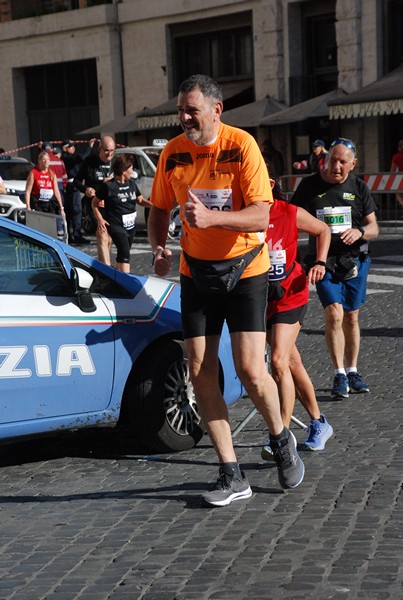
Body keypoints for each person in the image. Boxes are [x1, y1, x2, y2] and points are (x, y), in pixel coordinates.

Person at [148, 74, 305, 508]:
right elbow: (160, 206)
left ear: (216, 110)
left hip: (245, 270)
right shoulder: (173, 152)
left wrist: (212, 220)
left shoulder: (242, 146)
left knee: (252, 369)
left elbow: (260, 216)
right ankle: (230, 472)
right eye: (180, 109)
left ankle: (280, 436)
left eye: (191, 110)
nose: (184, 117)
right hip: (195, 272)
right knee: (199, 370)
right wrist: (159, 246)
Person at [292, 137, 379, 399]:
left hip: (355, 261)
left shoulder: (359, 188)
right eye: (333, 160)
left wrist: (360, 231)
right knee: (334, 312)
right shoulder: (309, 186)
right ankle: (339, 372)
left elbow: (375, 227)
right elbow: (292, 218)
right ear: (326, 159)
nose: (336, 166)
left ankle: (353, 370)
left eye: (343, 162)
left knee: (351, 316)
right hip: (323, 262)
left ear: (353, 164)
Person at [260, 179, 333, 460]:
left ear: (270, 184)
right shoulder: (242, 216)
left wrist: (320, 262)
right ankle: (319, 422)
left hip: (291, 294)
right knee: (291, 361)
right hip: (261, 300)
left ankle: (280, 436)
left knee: (278, 361)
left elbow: (322, 229)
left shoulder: (289, 212)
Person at [92, 154, 152, 273]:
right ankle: (127, 282)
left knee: (123, 253)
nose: (133, 171)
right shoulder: (109, 186)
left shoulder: (132, 184)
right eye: (131, 168)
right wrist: (100, 219)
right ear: (124, 170)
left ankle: (116, 279)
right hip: (116, 224)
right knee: (125, 251)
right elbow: (94, 203)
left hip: (130, 225)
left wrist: (155, 206)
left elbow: (140, 200)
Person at [74, 136, 115, 264]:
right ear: (100, 149)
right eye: (107, 150)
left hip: (112, 206)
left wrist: (112, 182)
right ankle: (106, 272)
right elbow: (76, 181)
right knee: (102, 236)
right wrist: (86, 189)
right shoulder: (90, 162)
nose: (110, 154)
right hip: (95, 205)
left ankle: (103, 267)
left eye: (112, 150)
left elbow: (125, 180)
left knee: (108, 239)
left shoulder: (115, 163)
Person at [62, 138, 94, 244]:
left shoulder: (68, 157)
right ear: (65, 148)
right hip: (71, 185)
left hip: (71, 185)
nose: (74, 148)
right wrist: (89, 147)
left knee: (72, 210)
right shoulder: (66, 157)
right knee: (76, 210)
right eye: (71, 146)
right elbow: (81, 158)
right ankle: (76, 234)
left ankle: (72, 234)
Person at [25, 150, 65, 218]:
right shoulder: (34, 172)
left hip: (49, 203)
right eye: (43, 159)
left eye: (47, 159)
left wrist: (61, 208)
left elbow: (56, 191)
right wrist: (28, 206)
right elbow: (28, 191)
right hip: (38, 203)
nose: (46, 161)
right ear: (39, 161)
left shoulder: (52, 174)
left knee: (51, 224)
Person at [390, 139, 403, 212]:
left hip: (400, 177)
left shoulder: (396, 156)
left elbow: (393, 168)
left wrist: (391, 177)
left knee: (398, 193)